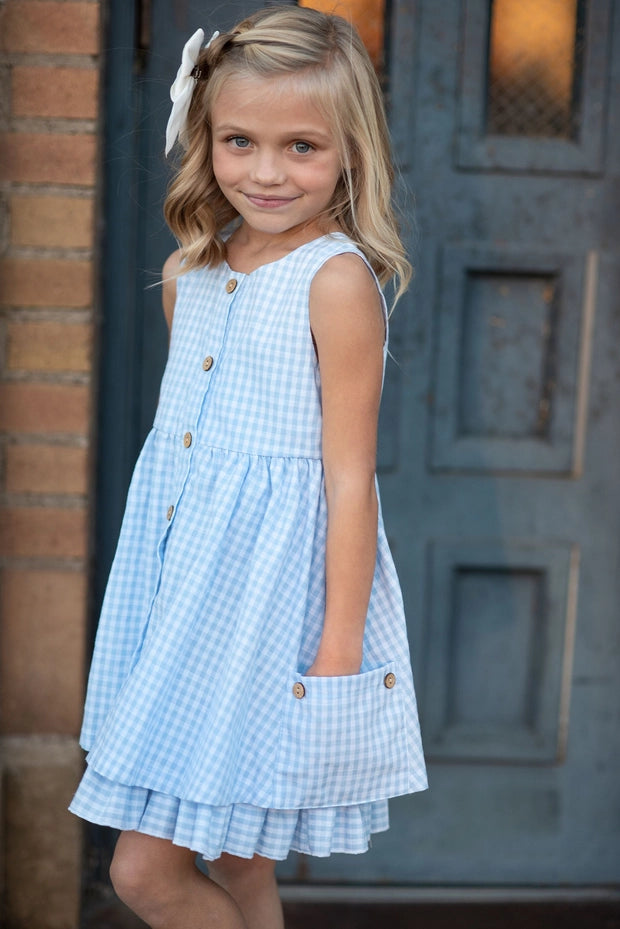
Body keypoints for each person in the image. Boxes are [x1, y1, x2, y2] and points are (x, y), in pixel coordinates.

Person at [69, 7, 427, 928]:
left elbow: (348, 479)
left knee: (143, 874)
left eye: (301, 146)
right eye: (240, 141)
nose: (266, 172)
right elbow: (186, 464)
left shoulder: (334, 282)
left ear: (350, 152)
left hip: (268, 613)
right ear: (206, 138)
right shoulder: (188, 273)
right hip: (183, 604)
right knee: (238, 862)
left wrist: (337, 652)